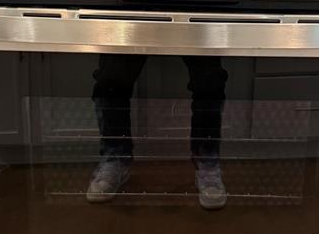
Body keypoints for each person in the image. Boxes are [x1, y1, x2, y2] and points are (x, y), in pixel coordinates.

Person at [87, 54, 228, 209]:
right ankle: (115, 159)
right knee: (109, 79)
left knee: (210, 81)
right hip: (134, 30)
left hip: (194, 30)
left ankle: (207, 163)